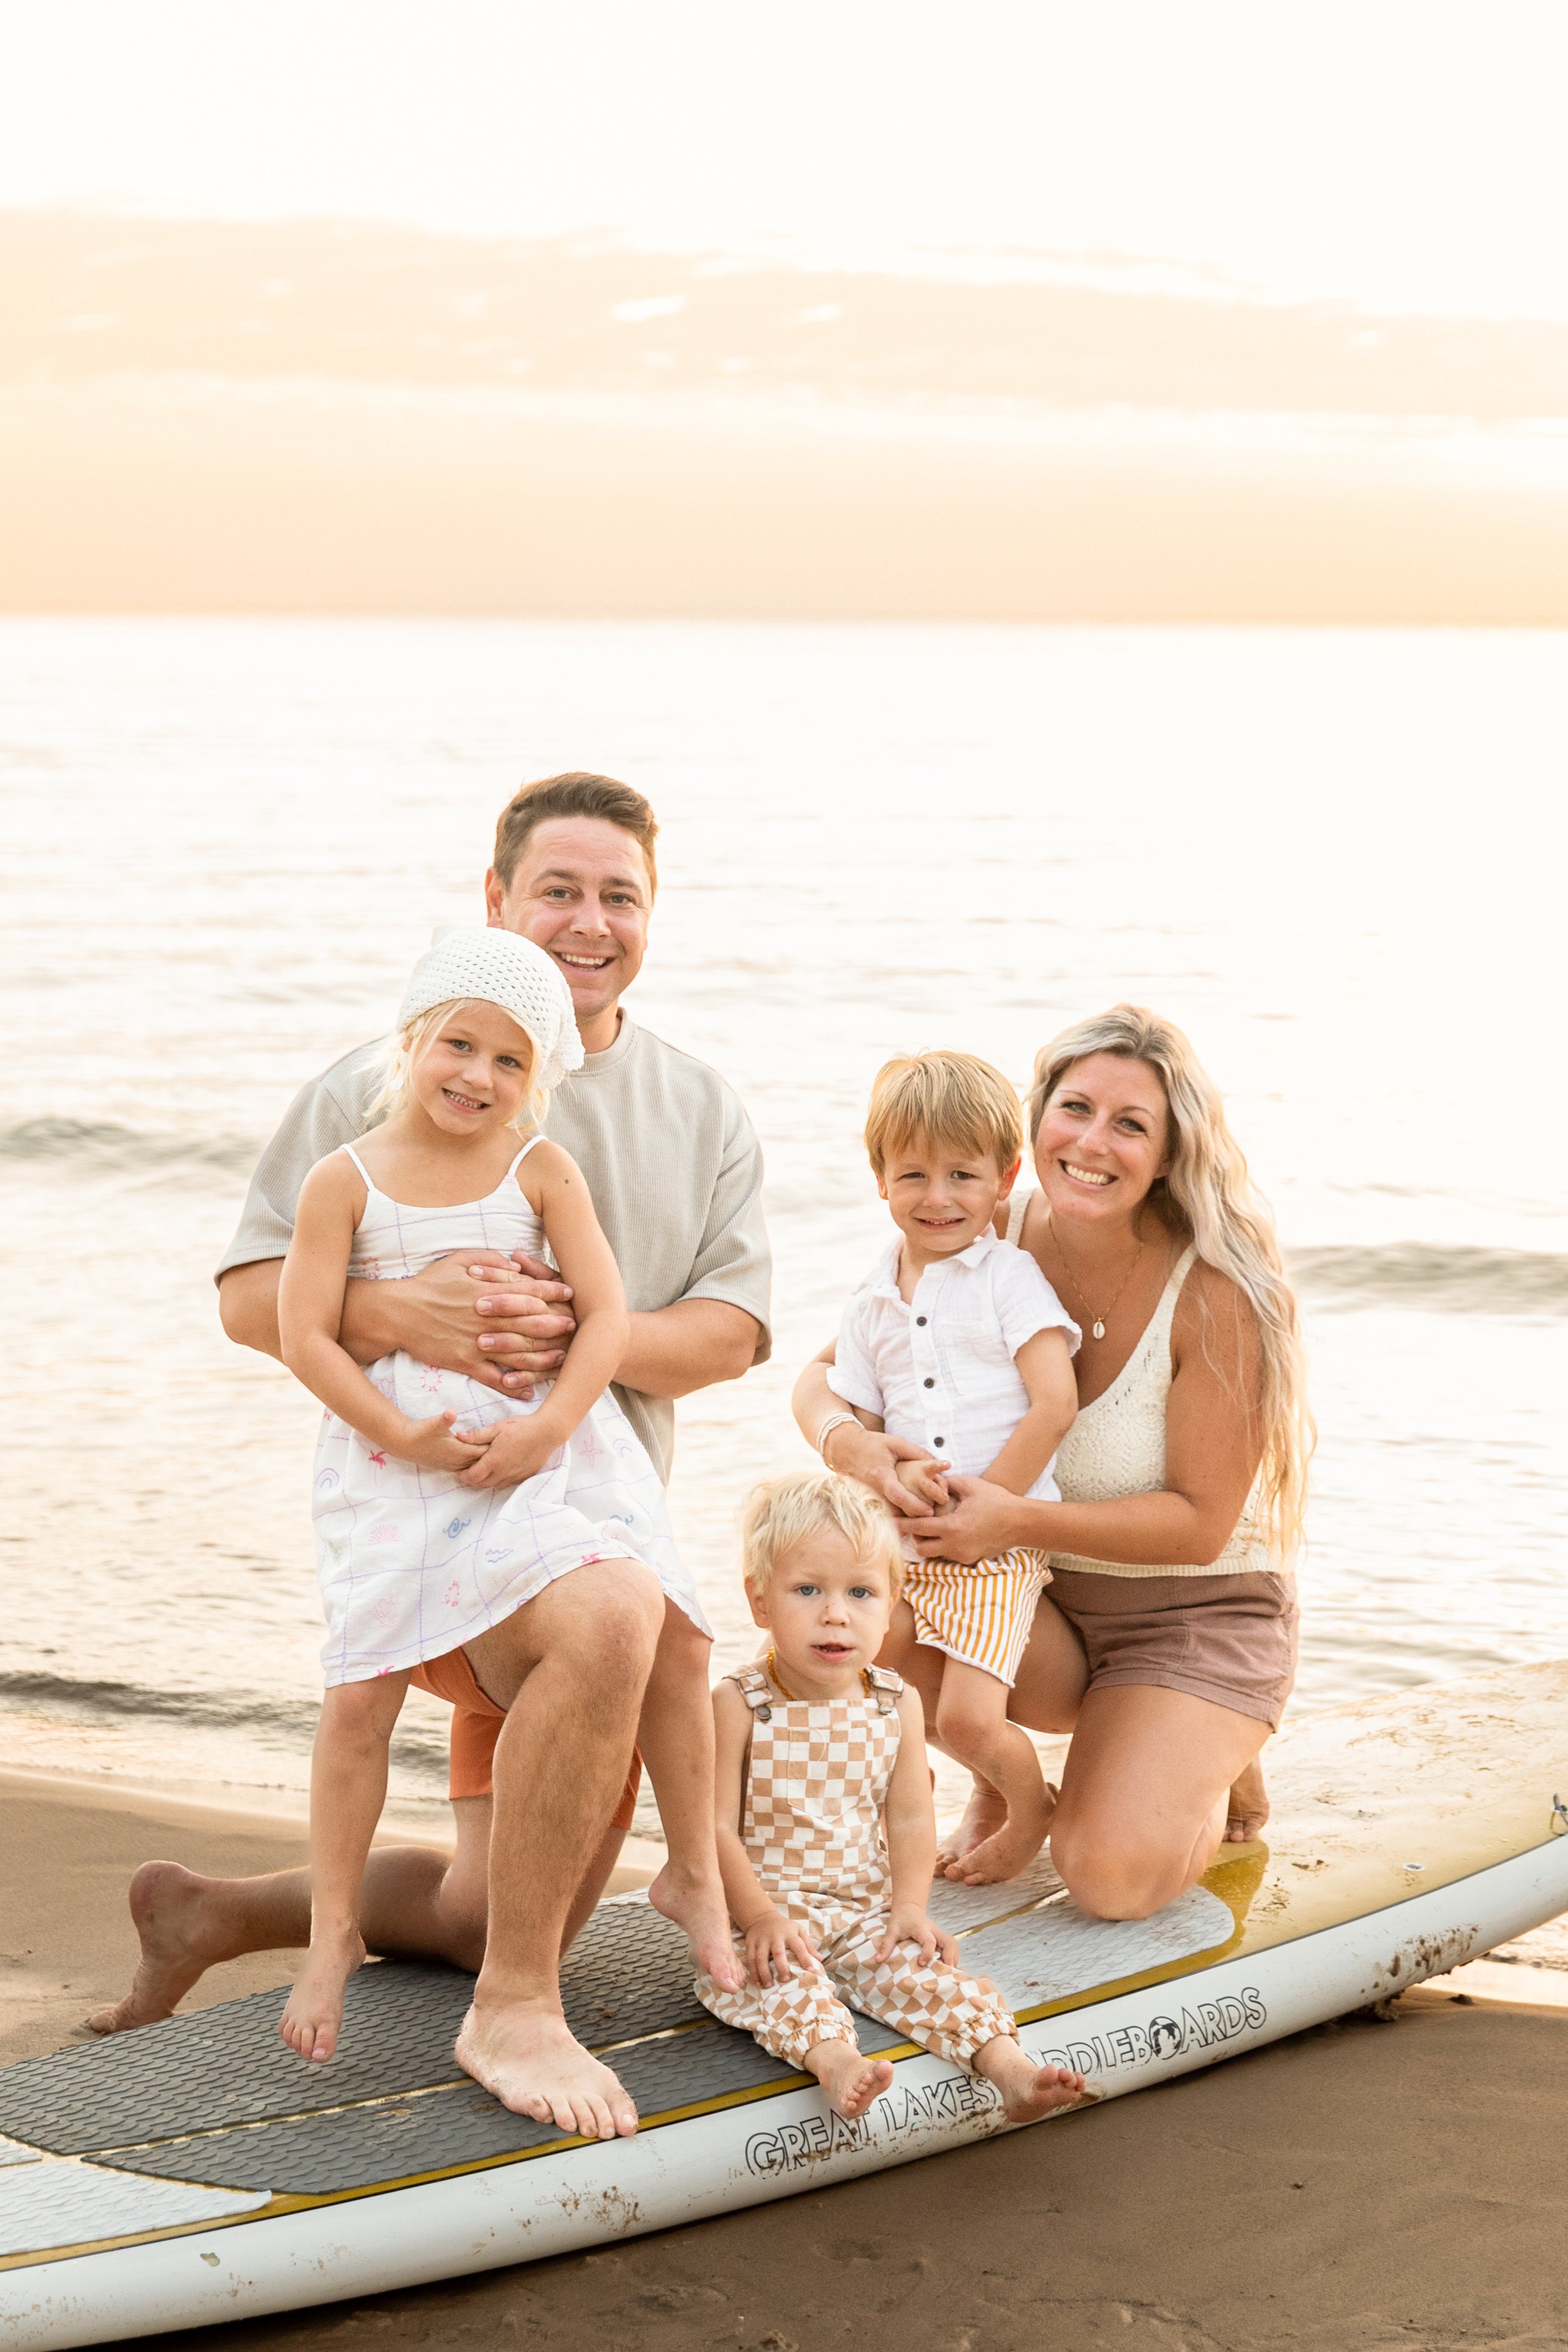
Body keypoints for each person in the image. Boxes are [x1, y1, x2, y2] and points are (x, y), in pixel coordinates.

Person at [90, 773, 770, 2143]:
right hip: (453, 1538)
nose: (588, 923)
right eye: (557, 892)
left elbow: (734, 1335)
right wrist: (399, 1316)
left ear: (653, 914)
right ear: (495, 902)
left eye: (617, 896)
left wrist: (575, 1334)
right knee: (617, 1622)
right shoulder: (382, 1080)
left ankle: (216, 1916)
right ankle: (516, 2010)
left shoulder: (699, 1107)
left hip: (580, 1506)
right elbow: (246, 1294)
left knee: (479, 1910)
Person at [273, 927, 731, 2069]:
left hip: (545, 1453)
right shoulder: (348, 1178)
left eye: (512, 1061)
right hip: (399, 1462)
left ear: (543, 1080)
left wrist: (552, 1426)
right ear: (415, 1037)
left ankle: (697, 1874)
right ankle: (331, 1932)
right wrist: (393, 1431)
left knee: (662, 1622)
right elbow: (303, 1331)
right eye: (459, 1044)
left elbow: (608, 1317)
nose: (478, 1076)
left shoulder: (541, 1171)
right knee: (362, 1697)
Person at [794, 1005, 1311, 1922]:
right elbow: (827, 1375)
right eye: (1075, 1108)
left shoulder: (1218, 1289)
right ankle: (1002, 1778)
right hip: (1038, 1596)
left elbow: (1200, 1525)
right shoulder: (988, 1221)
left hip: (1193, 1612)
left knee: (1106, 1877)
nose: (1094, 1143)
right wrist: (856, 1448)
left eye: (1131, 1124)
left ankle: (1205, 1749)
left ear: (1168, 1151)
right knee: (856, 1585)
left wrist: (1008, 1514)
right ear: (1034, 1128)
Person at [697, 1470, 1084, 2125]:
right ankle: (834, 2061)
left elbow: (908, 1816)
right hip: (768, 1909)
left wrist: (909, 1907)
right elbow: (714, 1830)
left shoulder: (893, 1702)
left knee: (925, 1976)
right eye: (806, 1590)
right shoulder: (739, 1702)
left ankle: (1008, 2069)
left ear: (891, 1600)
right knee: (773, 1981)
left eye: (860, 1592)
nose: (835, 1613)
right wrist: (759, 1917)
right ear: (759, 1603)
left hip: (864, 1905)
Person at [816, 1052, 1079, 1884]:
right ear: (880, 1180)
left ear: (1005, 1179)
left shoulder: (1009, 1277)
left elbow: (1053, 1404)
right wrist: (870, 1472)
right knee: (872, 1656)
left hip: (996, 1541)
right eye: (914, 1174)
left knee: (969, 1716)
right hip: (909, 1545)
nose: (938, 1197)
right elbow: (849, 1410)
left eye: (963, 1174)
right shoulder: (872, 1298)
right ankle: (936, 1798)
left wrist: (990, 1507)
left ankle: (1032, 1801)